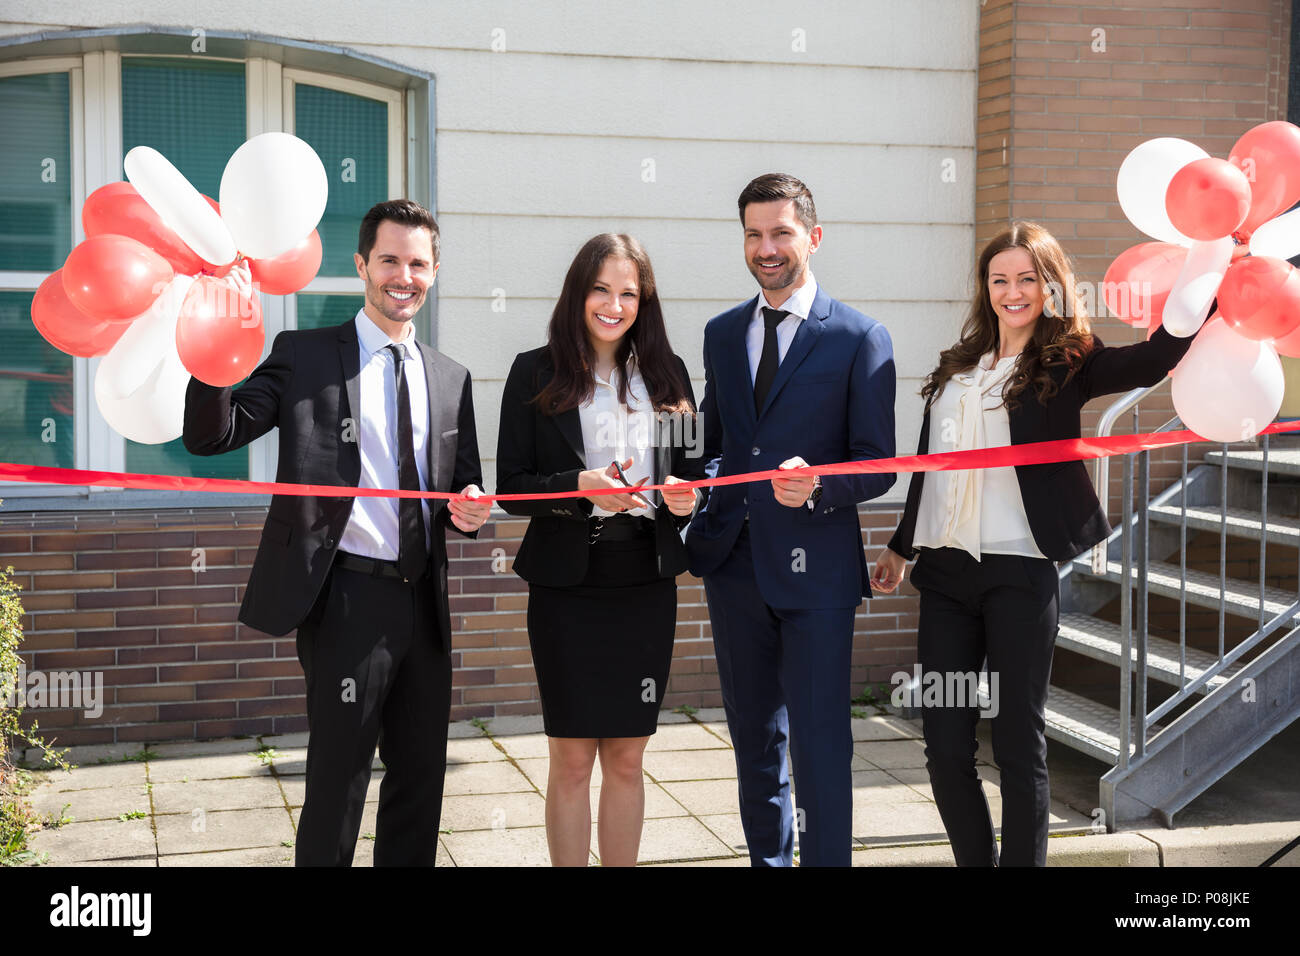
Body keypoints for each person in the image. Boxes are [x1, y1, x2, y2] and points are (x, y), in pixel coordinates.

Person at [870, 220, 1198, 866]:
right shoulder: (958, 366)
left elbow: (1156, 357)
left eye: (1027, 279)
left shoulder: (1069, 361)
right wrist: (901, 546)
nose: (1012, 291)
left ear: (1049, 287)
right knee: (944, 747)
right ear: (985, 288)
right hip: (943, 577)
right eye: (1000, 279)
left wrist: (1206, 280)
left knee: (1018, 746)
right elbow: (931, 463)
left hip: (1019, 575)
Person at [183, 199, 490, 866]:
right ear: (362, 265)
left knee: (421, 781)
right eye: (389, 260)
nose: (402, 275)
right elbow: (213, 435)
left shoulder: (450, 378)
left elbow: (459, 487)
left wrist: (469, 507)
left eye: (417, 262)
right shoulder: (306, 356)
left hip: (423, 607)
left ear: (434, 272)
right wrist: (209, 344)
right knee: (337, 781)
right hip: (345, 599)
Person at [685, 173, 897, 867]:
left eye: (781, 233)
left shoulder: (861, 337)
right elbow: (718, 448)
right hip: (735, 566)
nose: (766, 248)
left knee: (819, 741)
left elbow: (878, 464)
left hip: (819, 577)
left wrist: (818, 489)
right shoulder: (722, 334)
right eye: (753, 234)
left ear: (813, 235)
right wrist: (698, 489)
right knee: (753, 739)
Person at [495, 233, 704, 867]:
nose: (613, 305)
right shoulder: (535, 371)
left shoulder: (669, 375)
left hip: (644, 580)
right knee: (570, 756)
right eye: (601, 290)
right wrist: (579, 489)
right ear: (578, 292)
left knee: (629, 755)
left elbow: (692, 472)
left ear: (645, 302)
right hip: (567, 584)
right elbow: (512, 490)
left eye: (628, 293)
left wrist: (687, 500)